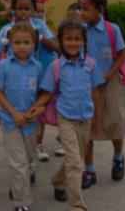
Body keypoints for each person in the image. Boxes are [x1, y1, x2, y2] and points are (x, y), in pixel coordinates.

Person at [32, 19, 103, 210]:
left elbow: (95, 92)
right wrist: (30, 111)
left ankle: (57, 180)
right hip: (66, 119)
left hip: (86, 119)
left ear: (83, 41)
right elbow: (47, 93)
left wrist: (97, 119)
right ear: (61, 41)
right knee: (74, 163)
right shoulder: (56, 66)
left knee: (75, 159)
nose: (73, 43)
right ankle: (78, 206)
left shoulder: (90, 64)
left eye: (77, 39)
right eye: (68, 39)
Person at [0, 0, 61, 162]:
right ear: (13, 10)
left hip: (34, 73)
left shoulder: (40, 25)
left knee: (35, 109)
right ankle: (17, 147)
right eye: (19, 8)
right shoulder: (7, 29)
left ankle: (37, 145)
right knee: (13, 106)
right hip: (12, 75)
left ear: (34, 10)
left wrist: (39, 36)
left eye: (27, 9)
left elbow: (53, 47)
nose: (23, 12)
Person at [0, 22, 45, 211]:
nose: (21, 46)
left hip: (30, 123)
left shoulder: (37, 68)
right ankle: (22, 204)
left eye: (26, 42)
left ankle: (18, 186)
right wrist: (14, 114)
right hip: (10, 121)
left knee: (27, 159)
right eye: (17, 42)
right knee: (18, 163)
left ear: (34, 44)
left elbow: (41, 95)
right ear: (10, 43)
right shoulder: (3, 65)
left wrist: (31, 113)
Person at [78, 0, 125, 188]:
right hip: (87, 85)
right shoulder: (80, 29)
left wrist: (109, 73)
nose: (82, 13)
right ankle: (89, 170)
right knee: (88, 127)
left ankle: (118, 158)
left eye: (86, 9)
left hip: (110, 84)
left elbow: (121, 55)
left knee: (115, 122)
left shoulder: (112, 30)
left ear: (100, 9)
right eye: (80, 8)